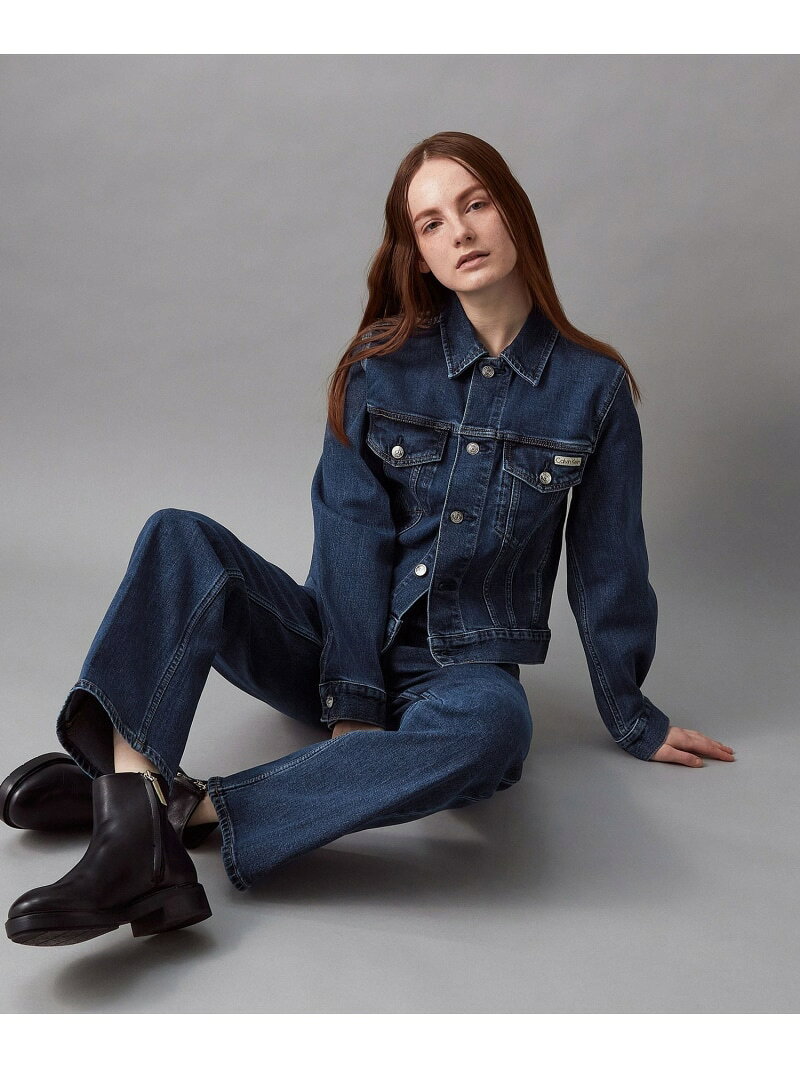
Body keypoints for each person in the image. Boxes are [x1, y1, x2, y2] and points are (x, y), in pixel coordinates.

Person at [2, 130, 735, 948]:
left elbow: (608, 568)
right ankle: (134, 817)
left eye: (476, 204)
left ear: (513, 212)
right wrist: (353, 704)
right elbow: (349, 538)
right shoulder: (380, 367)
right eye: (432, 223)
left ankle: (159, 812)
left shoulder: (594, 390)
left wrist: (633, 716)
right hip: (330, 647)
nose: (460, 232)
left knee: (496, 733)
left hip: (461, 672)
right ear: (419, 255)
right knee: (179, 540)